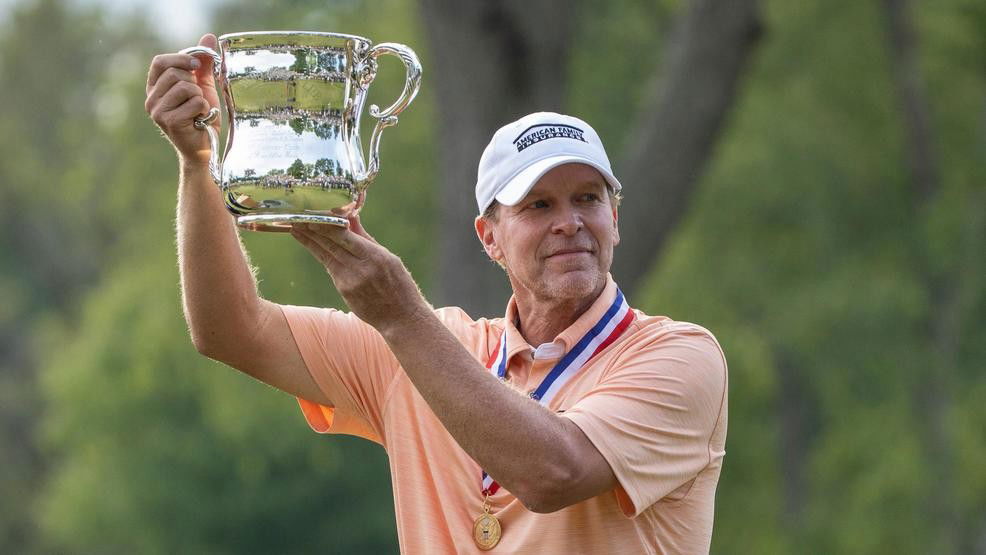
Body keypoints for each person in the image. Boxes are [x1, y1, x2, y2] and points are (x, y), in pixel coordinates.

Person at [146, 33, 728, 554]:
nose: (570, 223)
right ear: (489, 238)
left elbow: (555, 472)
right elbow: (230, 329)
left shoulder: (679, 357)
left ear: (614, 219)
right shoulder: (430, 347)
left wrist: (401, 317)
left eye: (588, 199)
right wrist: (199, 164)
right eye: (538, 205)